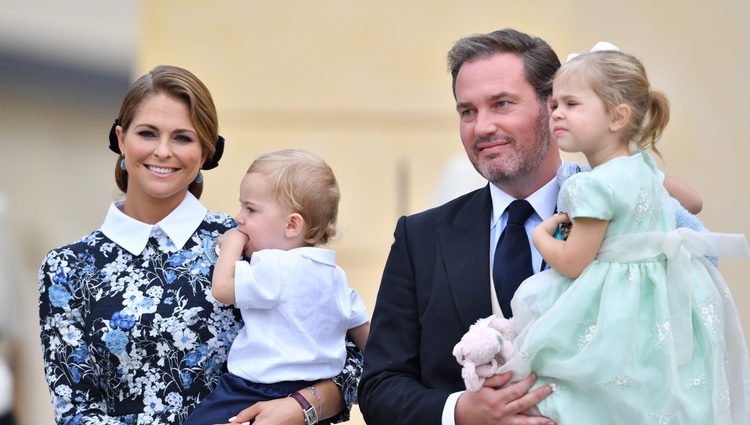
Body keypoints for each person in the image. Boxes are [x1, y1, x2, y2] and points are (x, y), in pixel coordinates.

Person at [358, 29, 705, 425]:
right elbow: (380, 387)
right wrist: (460, 412)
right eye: (467, 111)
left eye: (501, 104)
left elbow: (678, 354)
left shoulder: (629, 215)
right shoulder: (419, 238)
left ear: (552, 107)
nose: (481, 127)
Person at [38, 65, 363, 425]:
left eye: (182, 138)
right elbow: (75, 411)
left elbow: (351, 360)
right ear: (121, 137)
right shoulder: (68, 268)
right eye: (147, 133)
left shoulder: (253, 240)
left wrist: (302, 407)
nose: (163, 151)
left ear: (207, 149)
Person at [491, 45, 750, 424]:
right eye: (555, 104)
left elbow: (574, 261)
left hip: (617, 303)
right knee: (655, 390)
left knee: (577, 383)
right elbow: (693, 202)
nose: (557, 113)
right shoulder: (643, 166)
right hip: (659, 300)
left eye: (572, 104)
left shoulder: (590, 187)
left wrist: (542, 237)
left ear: (617, 117)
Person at [185, 149, 369, 425]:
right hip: (307, 395)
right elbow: (367, 336)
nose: (239, 217)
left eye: (251, 209)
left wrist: (231, 244)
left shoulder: (273, 265)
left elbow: (222, 288)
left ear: (292, 224)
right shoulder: (336, 276)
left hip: (254, 389)